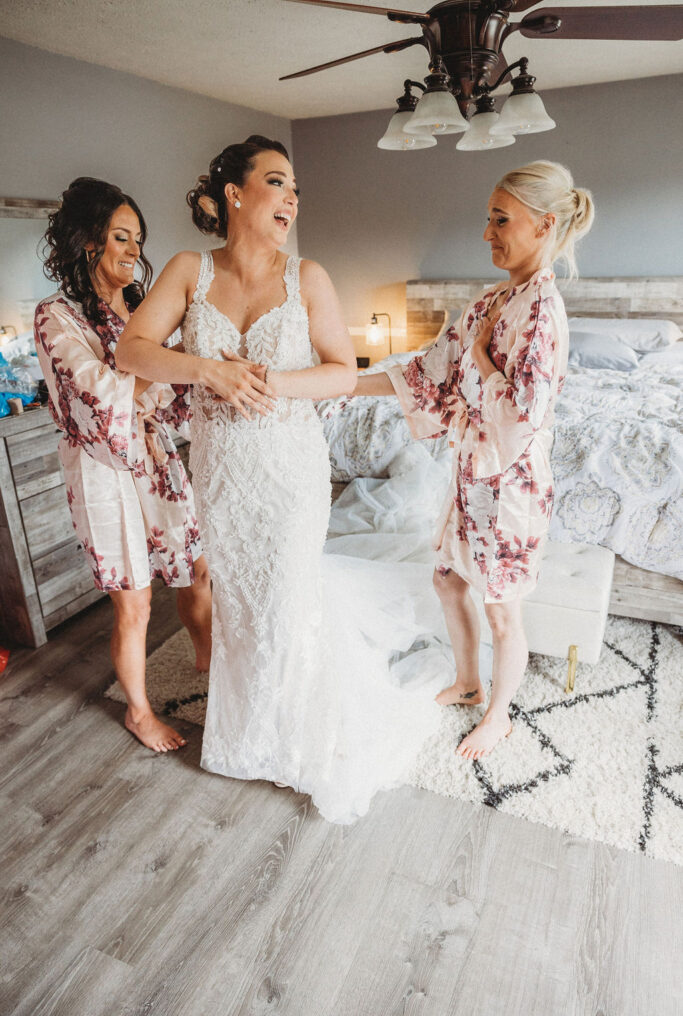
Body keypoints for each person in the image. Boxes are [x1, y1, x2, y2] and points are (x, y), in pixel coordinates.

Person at [116, 135, 441, 822]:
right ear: (235, 193)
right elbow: (132, 350)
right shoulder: (187, 271)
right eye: (276, 181)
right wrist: (209, 369)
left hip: (289, 467)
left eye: (295, 186)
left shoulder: (307, 277)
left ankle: (299, 739)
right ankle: (247, 738)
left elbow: (344, 371)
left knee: (288, 596)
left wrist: (271, 380)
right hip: (224, 471)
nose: (291, 196)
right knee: (240, 601)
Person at [355, 161, 594, 760]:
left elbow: (518, 415)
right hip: (473, 470)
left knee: (502, 609)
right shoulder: (494, 298)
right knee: (446, 577)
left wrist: (485, 360)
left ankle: (500, 715)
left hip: (511, 482)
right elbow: (430, 368)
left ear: (543, 225)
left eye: (500, 219)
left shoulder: (544, 310)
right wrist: (344, 383)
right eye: (487, 218)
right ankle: (467, 683)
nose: (486, 232)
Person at [35, 177, 212, 753]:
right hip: (102, 469)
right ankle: (139, 711)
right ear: (89, 243)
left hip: (155, 455)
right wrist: (154, 368)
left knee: (197, 567)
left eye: (138, 238)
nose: (135, 250)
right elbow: (94, 396)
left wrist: (173, 367)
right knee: (134, 601)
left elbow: (169, 389)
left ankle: (209, 666)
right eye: (121, 237)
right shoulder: (55, 317)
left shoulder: (139, 307)